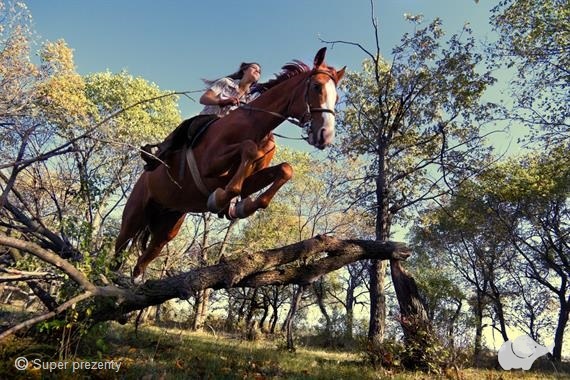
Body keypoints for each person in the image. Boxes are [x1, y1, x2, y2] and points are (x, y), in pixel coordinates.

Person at [141, 62, 262, 170]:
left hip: (230, 128)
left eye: (259, 71)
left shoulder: (251, 97)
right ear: (244, 70)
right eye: (254, 68)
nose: (258, 71)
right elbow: (204, 98)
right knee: (187, 124)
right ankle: (160, 150)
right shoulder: (226, 82)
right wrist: (221, 102)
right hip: (208, 120)